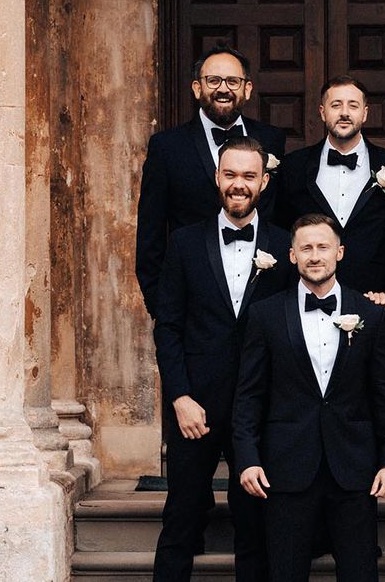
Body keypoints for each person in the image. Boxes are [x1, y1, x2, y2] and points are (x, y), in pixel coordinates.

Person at [233, 213, 385, 582]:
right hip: (285, 469)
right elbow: (249, 394)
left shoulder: (370, 315)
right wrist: (247, 458)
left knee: (360, 574)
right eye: (306, 248)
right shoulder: (265, 315)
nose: (315, 256)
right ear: (292, 255)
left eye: (323, 247)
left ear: (340, 252)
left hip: (354, 470)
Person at [152, 137, 293, 582]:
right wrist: (179, 396)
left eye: (249, 176)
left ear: (264, 182)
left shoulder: (286, 246)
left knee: (254, 525)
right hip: (197, 406)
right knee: (180, 521)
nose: (238, 185)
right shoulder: (184, 243)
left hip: (259, 410)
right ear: (217, 177)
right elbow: (168, 326)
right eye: (230, 175)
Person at [136, 44, 286, 320]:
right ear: (197, 88)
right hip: (194, 311)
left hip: (264, 307)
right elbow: (150, 235)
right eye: (213, 80)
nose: (223, 89)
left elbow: (281, 218)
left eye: (233, 81)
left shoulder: (272, 140)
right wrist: (163, 309)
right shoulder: (167, 147)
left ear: (247, 89)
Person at [276, 75, 385, 294]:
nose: (344, 112)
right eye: (336, 105)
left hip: (373, 298)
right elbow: (282, 231)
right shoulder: (293, 166)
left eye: (353, 105)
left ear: (365, 113)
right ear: (323, 112)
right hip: (307, 294)